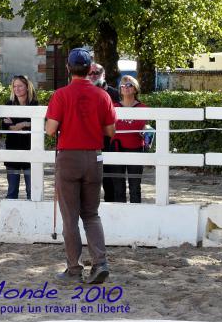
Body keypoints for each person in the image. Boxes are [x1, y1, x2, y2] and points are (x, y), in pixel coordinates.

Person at [45, 48, 116, 284]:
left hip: (69, 158)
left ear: (68, 68)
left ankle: (74, 269)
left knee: (70, 217)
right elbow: (110, 131)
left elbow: (51, 129)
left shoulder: (61, 94)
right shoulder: (102, 96)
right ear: (90, 70)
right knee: (91, 214)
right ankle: (100, 262)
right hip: (94, 157)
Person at [111, 75, 148, 203]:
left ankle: (136, 217)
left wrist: (147, 132)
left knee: (135, 186)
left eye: (129, 85)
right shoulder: (113, 107)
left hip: (136, 149)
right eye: (123, 85)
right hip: (116, 149)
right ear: (120, 89)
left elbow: (145, 128)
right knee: (118, 187)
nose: (126, 88)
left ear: (135, 89)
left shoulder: (143, 108)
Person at [2, 75, 38, 200]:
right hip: (12, 149)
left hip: (30, 150)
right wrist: (27, 124)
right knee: (12, 190)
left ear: (27, 87)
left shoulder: (34, 104)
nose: (17, 89)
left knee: (31, 191)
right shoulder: (8, 104)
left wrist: (21, 124)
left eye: (20, 86)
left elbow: (40, 125)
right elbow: (7, 127)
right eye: (14, 86)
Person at [89, 62, 120, 202]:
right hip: (90, 142)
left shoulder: (116, 94)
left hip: (110, 142)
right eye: (89, 73)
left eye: (96, 72)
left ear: (104, 74)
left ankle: (112, 209)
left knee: (110, 179)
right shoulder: (84, 93)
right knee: (90, 180)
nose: (92, 76)